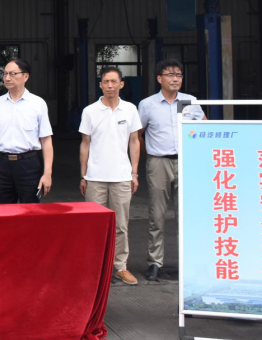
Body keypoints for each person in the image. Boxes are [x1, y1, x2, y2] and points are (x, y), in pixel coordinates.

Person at [138, 59, 206, 281]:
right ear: (159, 78)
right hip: (158, 163)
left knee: (185, 214)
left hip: (186, 161)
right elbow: (138, 134)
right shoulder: (147, 104)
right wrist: (150, 154)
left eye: (179, 74)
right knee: (156, 215)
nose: (175, 78)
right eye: (170, 74)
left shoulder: (190, 102)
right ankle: (154, 262)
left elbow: (205, 127)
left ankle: (187, 262)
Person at [79, 66, 142, 285]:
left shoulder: (130, 110)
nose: (110, 86)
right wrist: (83, 175)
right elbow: (85, 144)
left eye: (114, 81)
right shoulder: (90, 111)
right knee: (94, 224)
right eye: (106, 81)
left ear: (121, 84)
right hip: (95, 177)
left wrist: (134, 173)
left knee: (121, 225)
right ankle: (95, 268)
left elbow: (134, 141)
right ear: (100, 85)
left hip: (122, 176)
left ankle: (120, 267)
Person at [0, 58, 53, 204]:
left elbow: (46, 140)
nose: (7, 78)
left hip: (29, 164)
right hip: (2, 165)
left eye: (12, 74)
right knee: (3, 211)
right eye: (5, 74)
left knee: (30, 211)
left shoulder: (38, 104)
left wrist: (47, 173)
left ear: (25, 76)